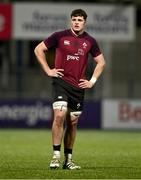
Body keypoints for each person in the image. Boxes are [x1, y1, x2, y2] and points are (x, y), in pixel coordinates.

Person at [34, 9, 106, 170]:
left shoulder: (90, 41)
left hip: (78, 87)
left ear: (85, 22)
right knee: (59, 115)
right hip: (61, 83)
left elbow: (101, 62)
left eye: (80, 19)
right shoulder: (59, 36)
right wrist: (48, 70)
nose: (76, 22)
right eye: (74, 19)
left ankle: (68, 160)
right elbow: (38, 49)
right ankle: (55, 157)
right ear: (70, 21)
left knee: (72, 123)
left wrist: (92, 81)